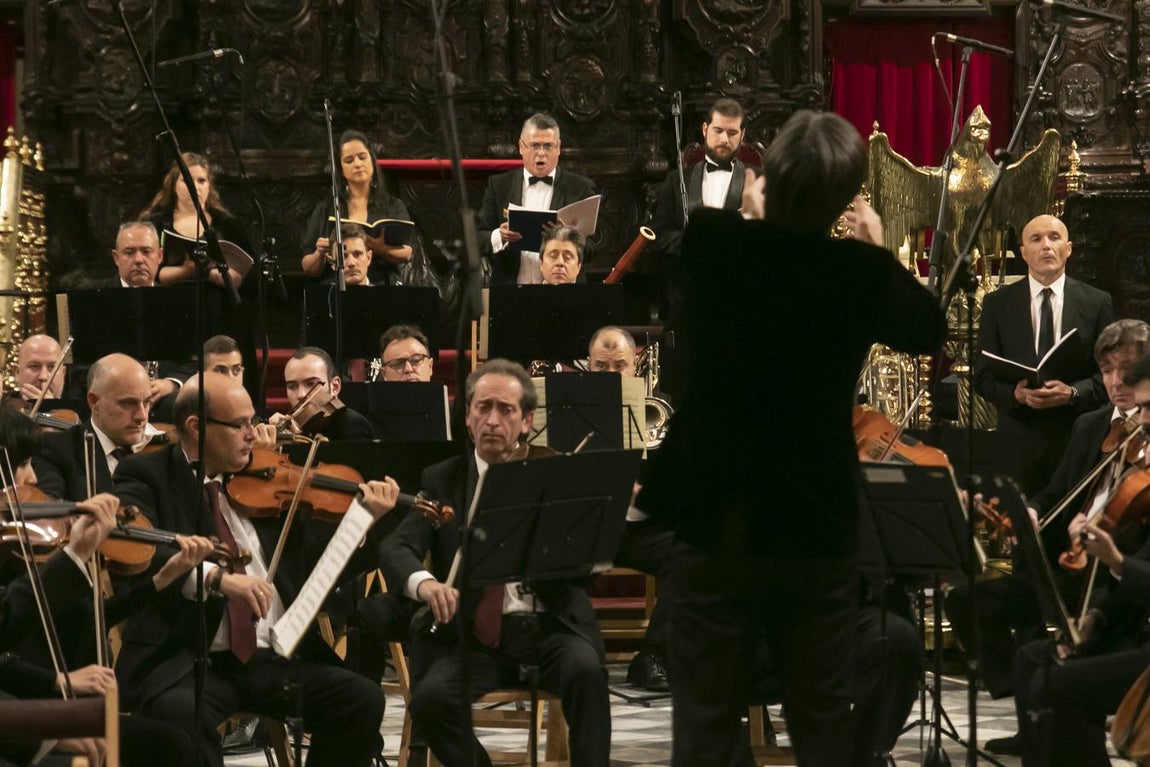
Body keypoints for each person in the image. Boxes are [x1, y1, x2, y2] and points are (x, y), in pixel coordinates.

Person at [637, 109, 946, 766]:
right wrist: (875, 245)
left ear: (766, 178)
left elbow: (733, 259)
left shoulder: (715, 241)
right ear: (844, 198)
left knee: (705, 716)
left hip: (715, 508)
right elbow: (926, 327)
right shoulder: (857, 273)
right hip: (812, 514)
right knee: (823, 712)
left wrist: (754, 215)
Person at [111, 372, 397, 767]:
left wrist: (362, 522)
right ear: (196, 427)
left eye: (253, 420)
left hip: (273, 656)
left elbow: (312, 565)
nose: (255, 433)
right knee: (181, 721)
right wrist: (218, 579)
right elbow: (136, 542)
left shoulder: (264, 476)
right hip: (191, 660)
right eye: (240, 424)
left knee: (361, 699)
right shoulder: (147, 475)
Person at [379, 359, 610, 767]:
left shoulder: (556, 472)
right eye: (482, 407)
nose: (492, 420)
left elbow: (585, 569)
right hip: (474, 638)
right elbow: (397, 547)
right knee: (429, 703)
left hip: (550, 626)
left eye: (505, 410)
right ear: (467, 415)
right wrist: (427, 584)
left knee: (587, 673)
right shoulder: (444, 480)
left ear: (526, 421)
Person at [948, 318, 1149, 740]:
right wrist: (1035, 513)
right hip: (1069, 565)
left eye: (1127, 369)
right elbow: (1056, 492)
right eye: (1108, 370)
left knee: (1061, 639)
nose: (1117, 381)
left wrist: (1110, 554)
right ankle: (1032, 712)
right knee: (968, 601)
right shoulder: (1091, 425)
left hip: (1111, 580)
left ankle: (1061, 706)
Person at [0, 405, 211, 767]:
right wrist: (55, 688)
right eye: (22, 465)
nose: (32, 479)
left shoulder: (15, 545)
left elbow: (83, 618)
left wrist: (160, 580)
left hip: (21, 705)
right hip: (16, 710)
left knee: (171, 743)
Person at [1009, 350, 1150, 767]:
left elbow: (1136, 566)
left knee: (1063, 685)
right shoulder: (1141, 472)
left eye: (1148, 407)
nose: (1140, 420)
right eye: (1140, 408)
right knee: (1033, 660)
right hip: (1132, 625)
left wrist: (1117, 560)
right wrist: (1098, 619)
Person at [973, 213, 1115, 494]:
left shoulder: (1097, 302)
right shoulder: (998, 303)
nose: (1046, 245)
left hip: (1076, 435)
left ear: (1069, 248)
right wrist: (1016, 394)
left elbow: (1110, 376)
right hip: (1018, 437)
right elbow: (983, 377)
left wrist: (1073, 393)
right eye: (1036, 239)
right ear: (1023, 253)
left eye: (1054, 237)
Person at [647, 97, 755, 400]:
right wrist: (697, 242)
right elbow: (657, 236)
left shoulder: (757, 184)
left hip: (739, 307)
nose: (724, 139)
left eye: (732, 133)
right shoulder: (677, 180)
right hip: (685, 304)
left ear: (743, 135)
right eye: (718, 130)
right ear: (705, 129)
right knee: (683, 392)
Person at [477, 113, 596, 285]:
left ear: (558, 148)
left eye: (548, 146)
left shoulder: (581, 188)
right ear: (521, 147)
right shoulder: (499, 185)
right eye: (534, 146)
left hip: (563, 294)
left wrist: (570, 238)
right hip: (510, 291)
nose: (541, 153)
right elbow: (477, 238)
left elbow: (592, 248)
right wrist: (499, 237)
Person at [34, 353, 165, 500]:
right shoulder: (54, 451)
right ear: (94, 402)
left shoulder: (164, 453)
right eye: (128, 403)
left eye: (147, 402)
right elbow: (48, 507)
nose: (141, 416)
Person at [301, 130, 413, 286]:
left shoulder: (393, 205)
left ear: (372, 161)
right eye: (349, 160)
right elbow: (307, 267)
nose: (358, 164)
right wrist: (319, 254)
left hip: (383, 287)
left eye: (362, 157)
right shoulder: (326, 208)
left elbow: (407, 252)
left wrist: (379, 248)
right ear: (341, 169)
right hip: (336, 289)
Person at [139, 151, 249, 288]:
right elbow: (146, 272)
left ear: (209, 186)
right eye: (187, 180)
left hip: (215, 302)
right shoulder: (156, 223)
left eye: (201, 181)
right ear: (174, 185)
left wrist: (221, 275)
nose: (195, 187)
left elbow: (244, 274)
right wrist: (187, 270)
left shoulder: (226, 223)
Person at [268, 346, 374, 440]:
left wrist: (298, 442)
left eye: (310, 384)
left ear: (335, 387)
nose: (301, 394)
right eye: (292, 386)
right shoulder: (291, 425)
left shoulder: (353, 425)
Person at [12, 334, 68, 402]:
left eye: (52, 367)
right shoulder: (3, 410)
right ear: (17, 373)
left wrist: (51, 406)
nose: (43, 377)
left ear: (63, 373)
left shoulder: (79, 411)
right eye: (34, 366)